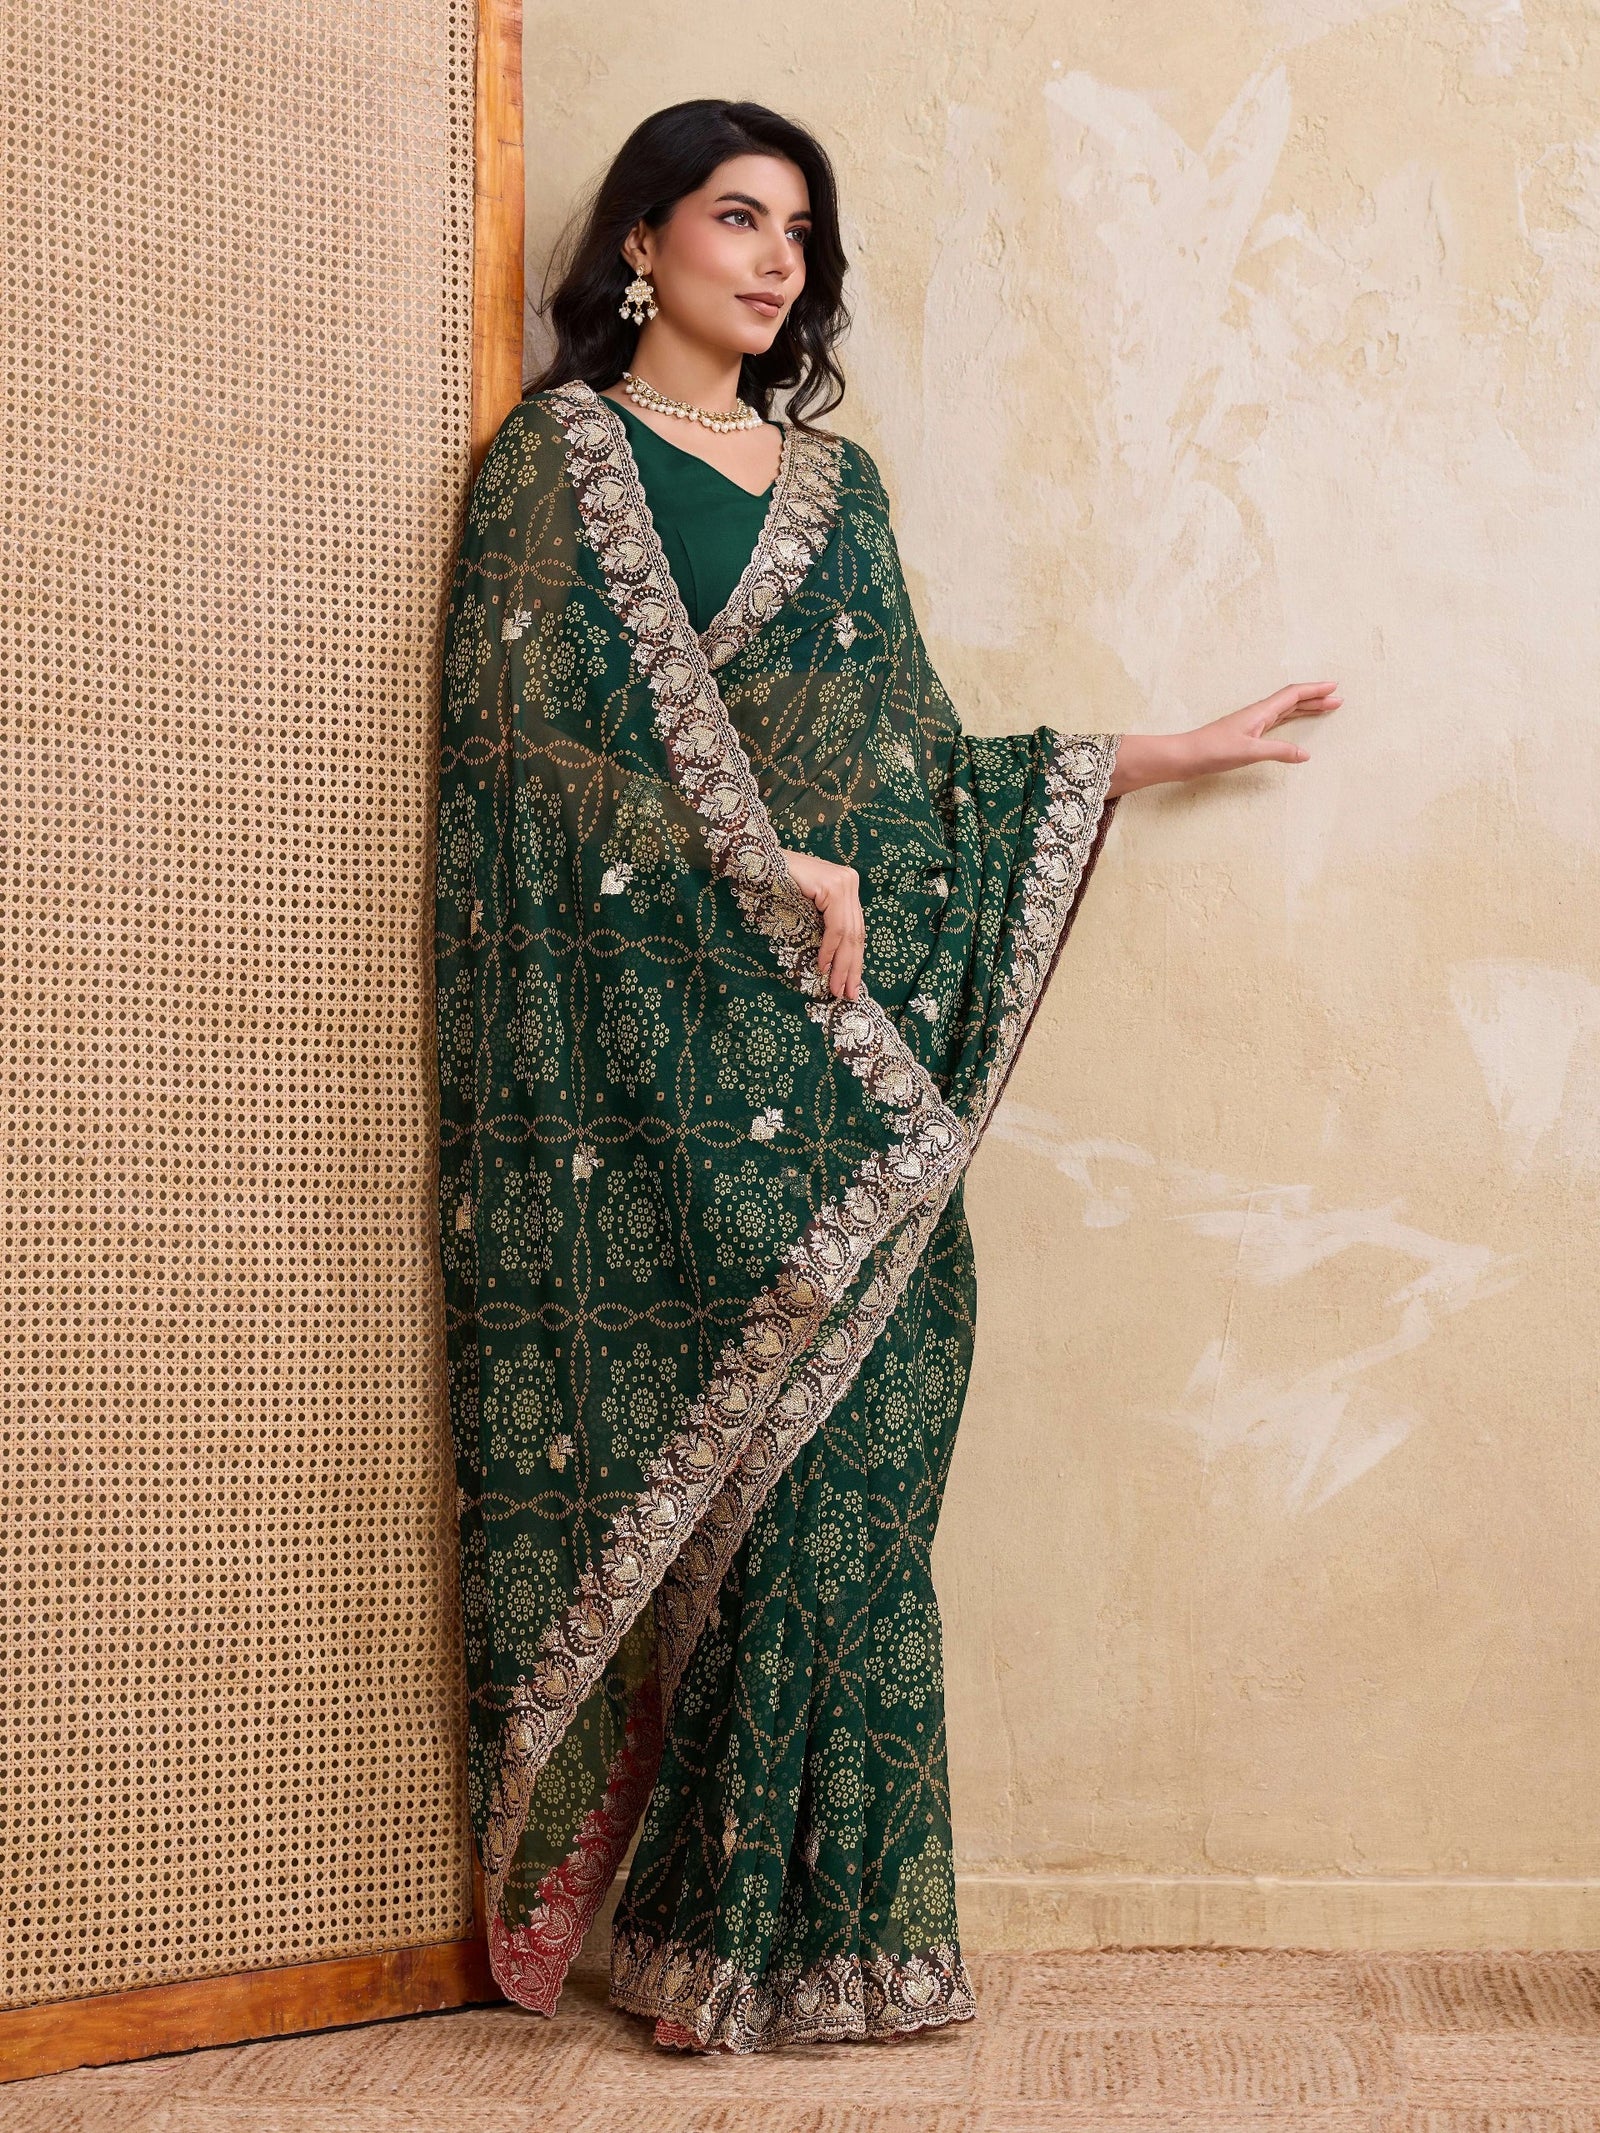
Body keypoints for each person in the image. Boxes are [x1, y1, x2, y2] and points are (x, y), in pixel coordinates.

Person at [435, 96, 1339, 2056]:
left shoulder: (839, 491)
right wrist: (747, 859)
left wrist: (1148, 750)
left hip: (858, 1076)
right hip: (673, 1077)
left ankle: (810, 1943)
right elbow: (522, 762)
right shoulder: (554, 467)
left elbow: (915, 772)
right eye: (735, 218)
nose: (772, 261)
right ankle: (708, 1952)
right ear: (642, 243)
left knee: (856, 1496)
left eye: (797, 233)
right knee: (755, 1512)